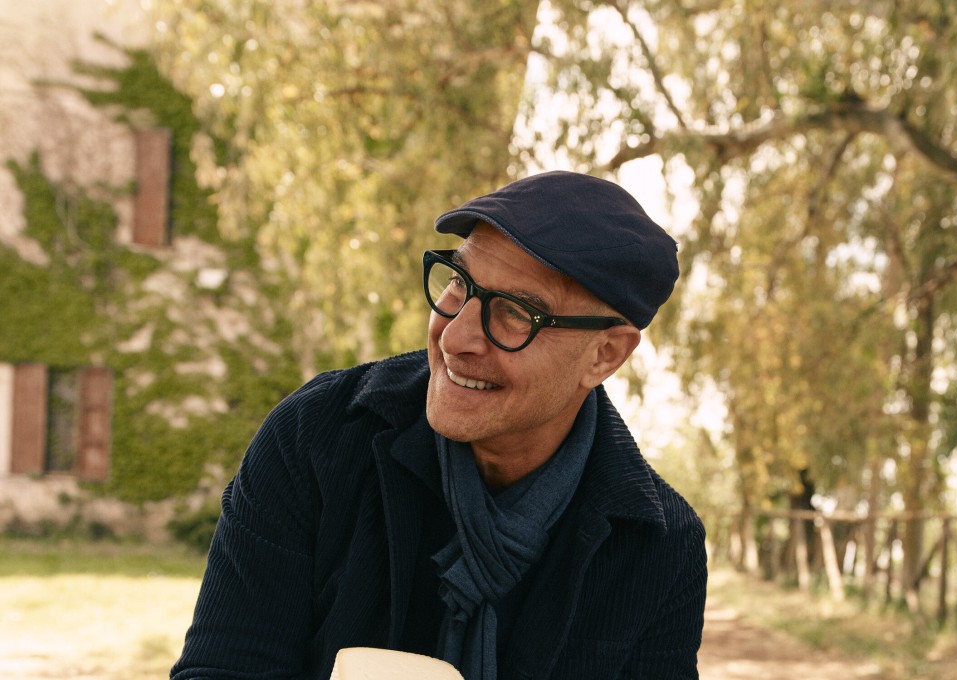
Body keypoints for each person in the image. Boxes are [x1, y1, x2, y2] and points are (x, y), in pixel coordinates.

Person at [171, 171, 707, 680]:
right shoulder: (318, 437)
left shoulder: (661, 545)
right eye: (459, 284)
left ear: (605, 355)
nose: (454, 338)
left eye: (516, 312)